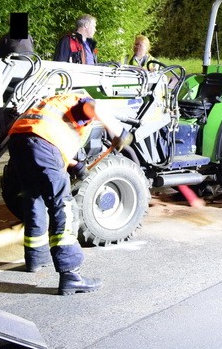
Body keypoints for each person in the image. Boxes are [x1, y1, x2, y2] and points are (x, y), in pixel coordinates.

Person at [7, 94, 132, 295]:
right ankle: (70, 274)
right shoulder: (82, 100)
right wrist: (118, 131)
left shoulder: (56, 102)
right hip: (42, 142)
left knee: (34, 198)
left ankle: (36, 257)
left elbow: (45, 143)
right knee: (64, 206)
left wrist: (75, 165)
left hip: (19, 141)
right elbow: (94, 106)